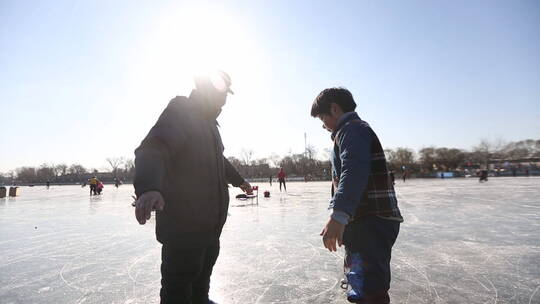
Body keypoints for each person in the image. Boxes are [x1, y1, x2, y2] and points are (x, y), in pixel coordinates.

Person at [133, 71, 252, 304]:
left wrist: (240, 181)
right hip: (183, 227)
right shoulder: (182, 111)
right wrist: (148, 187)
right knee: (177, 288)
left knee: (202, 279)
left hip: (210, 225)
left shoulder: (210, 124)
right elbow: (154, 147)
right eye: (221, 92)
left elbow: (220, 160)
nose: (225, 99)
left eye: (226, 93)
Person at [311, 87, 402, 304]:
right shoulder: (352, 131)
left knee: (368, 288)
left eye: (323, 118)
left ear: (334, 109)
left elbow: (353, 171)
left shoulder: (351, 130)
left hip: (370, 221)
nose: (323, 126)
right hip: (366, 220)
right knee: (361, 281)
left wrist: (339, 216)